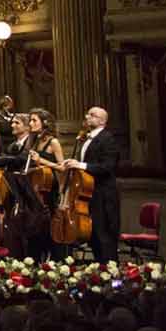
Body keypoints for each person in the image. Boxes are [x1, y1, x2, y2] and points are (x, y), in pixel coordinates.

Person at [64, 105, 121, 263]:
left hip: (103, 195)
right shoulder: (86, 139)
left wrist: (80, 165)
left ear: (102, 121)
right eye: (87, 114)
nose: (87, 117)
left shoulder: (108, 138)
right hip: (89, 194)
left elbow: (107, 167)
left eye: (92, 115)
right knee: (94, 236)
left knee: (105, 236)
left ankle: (110, 275)